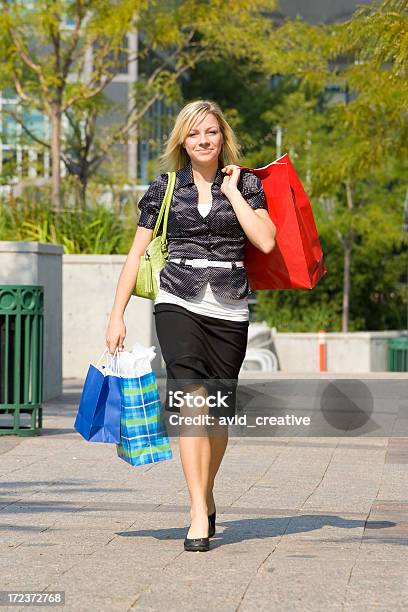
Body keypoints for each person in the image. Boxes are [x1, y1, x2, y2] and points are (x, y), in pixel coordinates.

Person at [105, 99, 276, 552]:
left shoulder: (249, 184)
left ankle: (207, 491)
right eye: (194, 133)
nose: (203, 140)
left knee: (219, 413)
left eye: (211, 133)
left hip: (230, 305)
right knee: (191, 403)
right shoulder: (164, 188)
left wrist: (235, 191)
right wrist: (116, 314)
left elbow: (264, 239)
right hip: (176, 297)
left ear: (223, 138)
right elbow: (136, 254)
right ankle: (197, 511)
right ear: (182, 139)